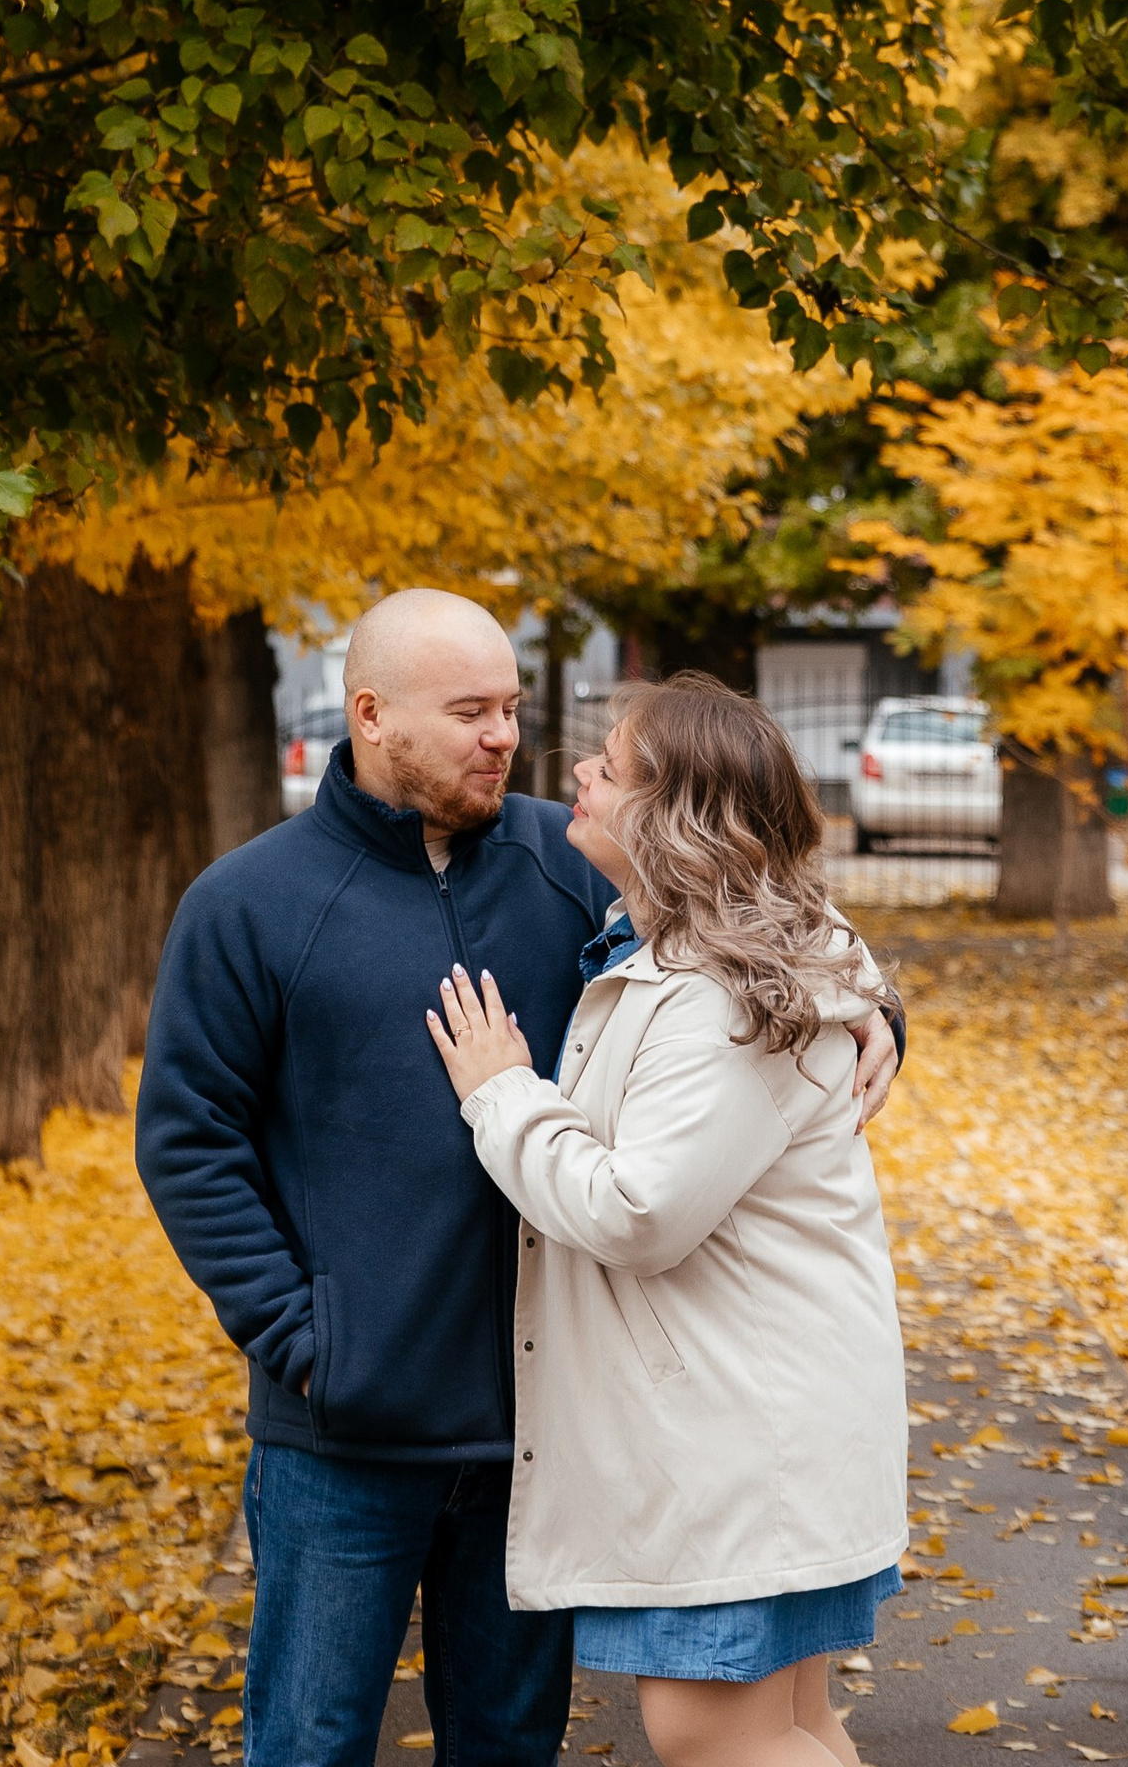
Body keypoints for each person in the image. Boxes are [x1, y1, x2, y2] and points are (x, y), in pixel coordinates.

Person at [135, 593, 905, 1767]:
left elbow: (765, 914)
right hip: (342, 1436)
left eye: (508, 707)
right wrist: (304, 1340)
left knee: (507, 1747)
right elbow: (188, 1140)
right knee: (306, 1743)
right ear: (371, 715)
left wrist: (877, 1007)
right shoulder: (248, 904)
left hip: (539, 1435)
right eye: (468, 712)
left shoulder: (579, 857)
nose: (504, 736)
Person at [425, 673, 909, 1767]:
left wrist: (500, 1093)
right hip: (766, 1419)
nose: (578, 775)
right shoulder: (728, 952)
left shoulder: (716, 995)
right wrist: (879, 1001)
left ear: (675, 820)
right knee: (790, 1726)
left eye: (611, 768)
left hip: (740, 1434)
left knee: (709, 1733)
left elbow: (637, 1210)